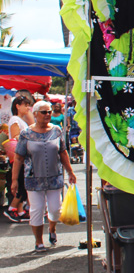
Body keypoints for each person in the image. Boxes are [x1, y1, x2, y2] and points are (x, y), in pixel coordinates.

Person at [11, 101, 76, 253]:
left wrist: (70, 172)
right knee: (36, 209)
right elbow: (19, 157)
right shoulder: (26, 134)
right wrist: (14, 180)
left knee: (55, 209)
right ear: (35, 114)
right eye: (44, 112)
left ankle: (52, 228)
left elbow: (63, 153)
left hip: (55, 177)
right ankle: (39, 241)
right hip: (34, 179)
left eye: (49, 112)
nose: (47, 115)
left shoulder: (57, 130)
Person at [4, 96, 32, 222]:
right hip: (19, 156)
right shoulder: (15, 119)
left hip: (22, 155)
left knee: (23, 182)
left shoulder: (20, 120)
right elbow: (15, 136)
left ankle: (20, 211)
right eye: (25, 105)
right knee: (22, 183)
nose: (27, 108)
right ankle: (12, 208)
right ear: (17, 106)